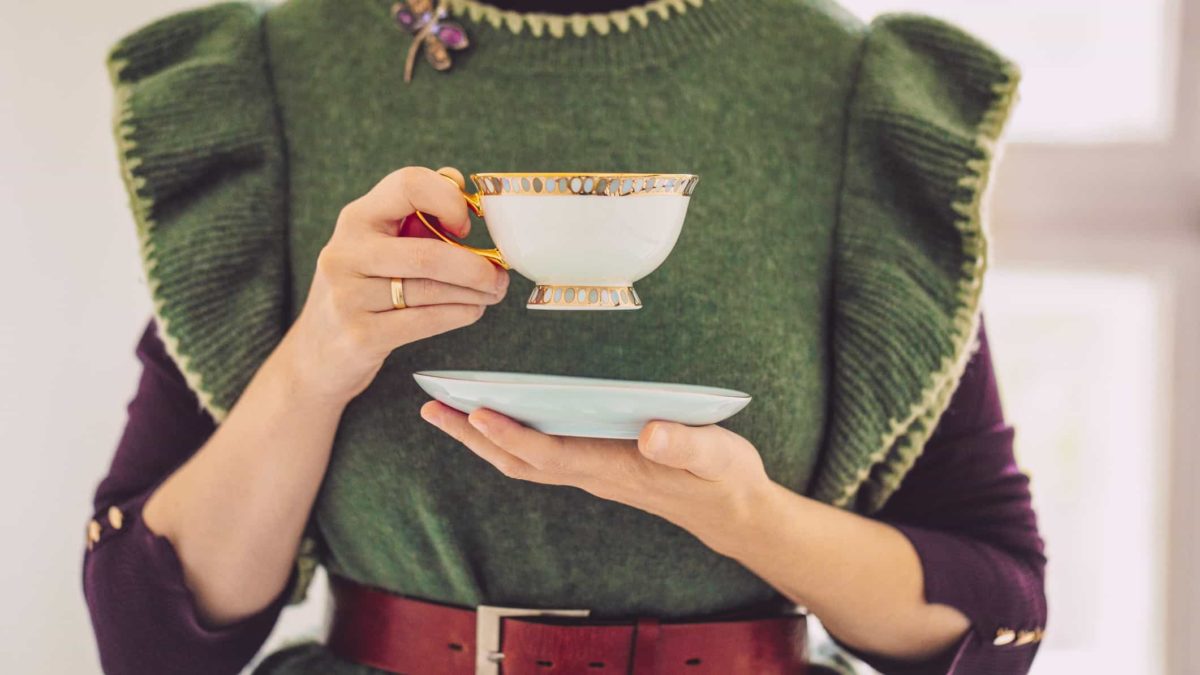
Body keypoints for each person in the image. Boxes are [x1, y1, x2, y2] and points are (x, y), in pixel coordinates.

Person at [83, 0, 1046, 673]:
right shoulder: (275, 77)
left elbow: (997, 609)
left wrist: (740, 516)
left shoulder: (848, 87)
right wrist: (312, 365)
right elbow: (148, 638)